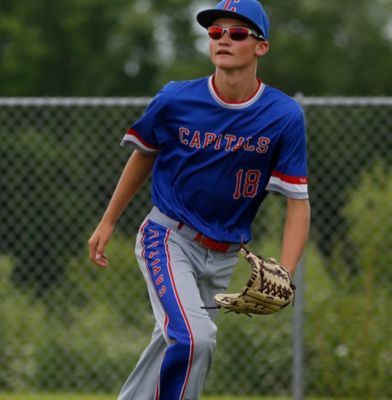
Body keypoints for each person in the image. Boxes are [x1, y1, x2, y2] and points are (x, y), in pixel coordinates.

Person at [88, 0, 310, 398]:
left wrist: (286, 274)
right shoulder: (177, 99)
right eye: (216, 32)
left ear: (261, 46)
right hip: (168, 238)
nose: (224, 39)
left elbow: (297, 200)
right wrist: (109, 220)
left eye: (237, 33)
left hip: (223, 255)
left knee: (172, 342)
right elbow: (144, 155)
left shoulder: (283, 115)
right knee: (196, 339)